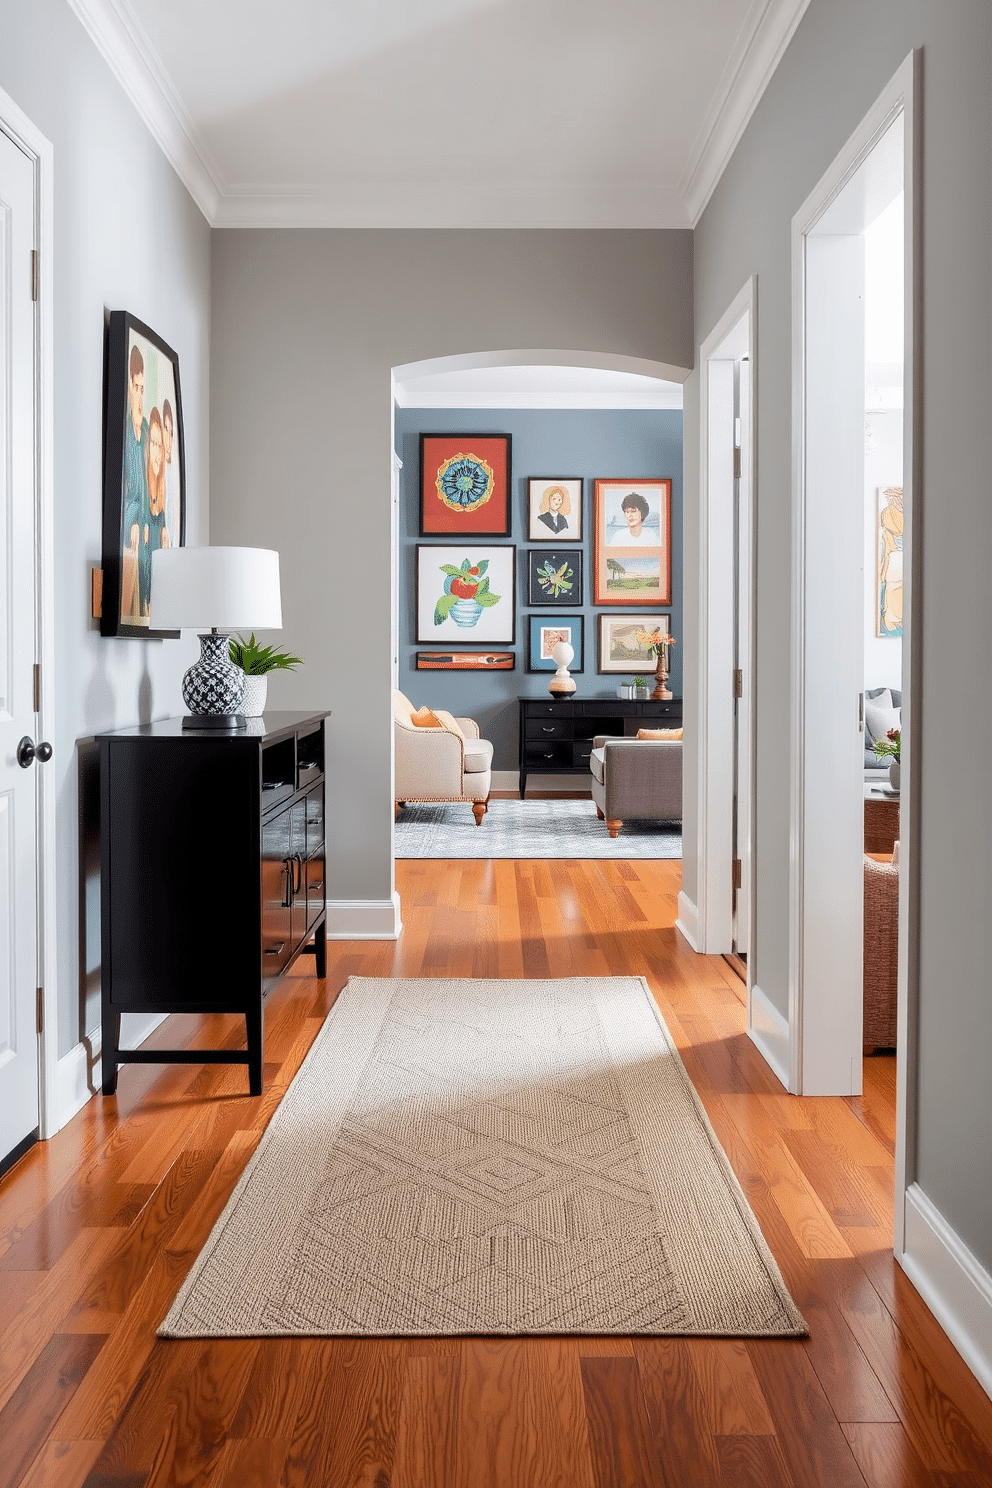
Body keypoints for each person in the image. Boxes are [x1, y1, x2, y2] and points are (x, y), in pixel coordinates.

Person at [121, 342, 148, 619]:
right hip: (130, 533)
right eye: (135, 388)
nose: (139, 395)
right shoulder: (126, 433)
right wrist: (134, 521)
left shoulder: (145, 432)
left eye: (142, 389)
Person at [139, 407, 169, 616]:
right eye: (153, 444)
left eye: (160, 445)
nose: (157, 453)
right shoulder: (143, 486)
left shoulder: (163, 489)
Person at [162, 397, 180, 548]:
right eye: (165, 429)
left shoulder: (173, 473)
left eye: (171, 432)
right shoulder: (157, 471)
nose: (168, 437)